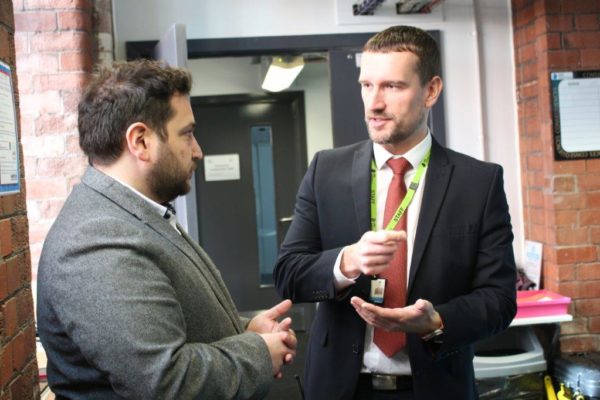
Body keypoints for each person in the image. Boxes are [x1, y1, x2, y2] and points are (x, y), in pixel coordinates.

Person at [274, 25, 517, 400]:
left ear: (431, 91)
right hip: (341, 387)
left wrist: (436, 321)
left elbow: (499, 300)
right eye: (366, 85)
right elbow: (288, 274)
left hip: (434, 388)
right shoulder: (326, 170)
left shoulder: (478, 183)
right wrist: (347, 261)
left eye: (392, 86)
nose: (374, 103)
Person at [36, 59, 297, 400]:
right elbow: (167, 382)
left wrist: (244, 330)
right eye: (187, 134)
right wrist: (258, 352)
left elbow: (167, 325)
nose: (198, 151)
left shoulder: (133, 214)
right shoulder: (97, 241)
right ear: (141, 141)